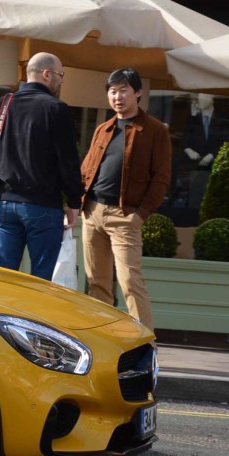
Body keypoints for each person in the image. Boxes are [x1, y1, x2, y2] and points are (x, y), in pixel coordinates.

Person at [0, 52, 83, 280]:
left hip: (5, 203)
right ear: (47, 74)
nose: (61, 81)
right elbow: (68, 161)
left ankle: (1, 315)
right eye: (60, 75)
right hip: (42, 204)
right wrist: (74, 200)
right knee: (41, 280)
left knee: (3, 277)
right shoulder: (56, 109)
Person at [80, 68, 172, 329]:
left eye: (123, 90)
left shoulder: (154, 130)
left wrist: (140, 214)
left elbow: (162, 178)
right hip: (93, 210)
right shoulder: (104, 128)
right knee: (97, 282)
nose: (117, 96)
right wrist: (79, 203)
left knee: (130, 281)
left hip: (126, 215)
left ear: (138, 92)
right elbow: (86, 169)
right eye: (112, 91)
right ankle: (101, 338)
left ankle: (144, 343)